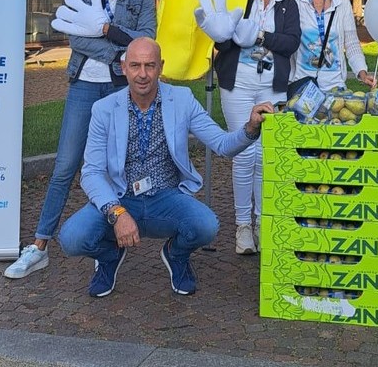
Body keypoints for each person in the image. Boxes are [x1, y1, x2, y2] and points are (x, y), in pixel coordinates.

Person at [57, 38, 272, 297]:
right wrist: (117, 213)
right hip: (121, 197)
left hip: (166, 198)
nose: (143, 74)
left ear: (161, 66)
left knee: (206, 226)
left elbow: (222, 145)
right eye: (135, 65)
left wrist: (250, 128)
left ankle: (176, 255)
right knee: (71, 238)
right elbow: (91, 172)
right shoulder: (104, 109)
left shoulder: (182, 99)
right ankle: (110, 255)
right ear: (123, 68)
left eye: (150, 65)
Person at [4, 0, 156, 279]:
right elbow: (76, 39)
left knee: (117, 167)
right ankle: (39, 245)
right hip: (85, 87)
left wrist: (104, 31)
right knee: (65, 166)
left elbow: (146, 40)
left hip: (121, 90)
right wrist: (119, 50)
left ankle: (107, 242)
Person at [212, 0, 300, 255]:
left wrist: (259, 36)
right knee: (244, 154)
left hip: (272, 87)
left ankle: (263, 221)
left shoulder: (288, 5)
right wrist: (229, 32)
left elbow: (290, 44)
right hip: (237, 84)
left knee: (265, 157)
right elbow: (220, 42)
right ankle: (242, 226)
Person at [290, 0, 376, 92]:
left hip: (335, 85)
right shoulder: (293, 1)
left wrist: (362, 72)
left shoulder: (341, 2)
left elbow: (351, 43)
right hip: (303, 86)